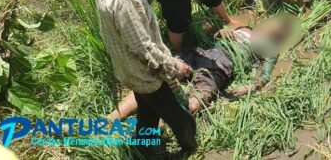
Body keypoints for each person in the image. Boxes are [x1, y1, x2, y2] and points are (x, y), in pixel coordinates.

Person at [94, 0, 197, 157]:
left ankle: (142, 148)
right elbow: (144, 50)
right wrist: (175, 67)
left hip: (130, 71)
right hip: (145, 75)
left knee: (148, 115)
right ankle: (188, 149)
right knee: (182, 120)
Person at [108, 15, 298, 120]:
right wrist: (222, 32)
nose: (269, 24)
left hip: (221, 66)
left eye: (276, 25)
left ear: (280, 33)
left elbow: (264, 76)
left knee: (199, 97)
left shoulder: (270, 48)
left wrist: (248, 88)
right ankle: (113, 117)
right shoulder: (243, 28)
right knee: (159, 76)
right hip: (202, 54)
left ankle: (157, 128)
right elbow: (216, 36)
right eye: (271, 20)